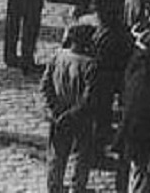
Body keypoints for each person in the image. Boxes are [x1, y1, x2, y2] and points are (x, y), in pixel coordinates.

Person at [42, 22, 99, 193]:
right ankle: (77, 188)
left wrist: (52, 108)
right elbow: (88, 98)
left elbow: (45, 85)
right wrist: (71, 114)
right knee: (82, 154)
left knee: (57, 154)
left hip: (58, 113)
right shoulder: (90, 65)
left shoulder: (58, 56)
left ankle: (54, 186)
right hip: (80, 117)